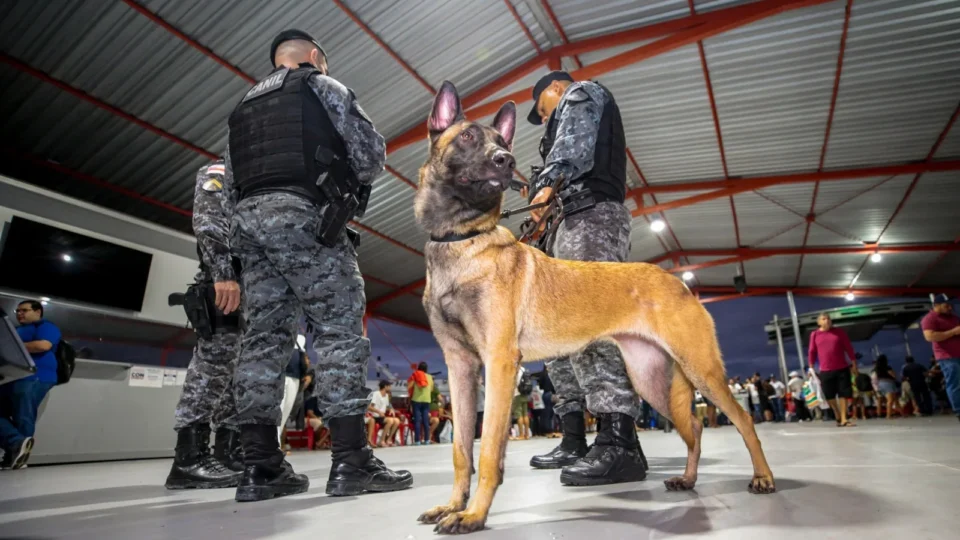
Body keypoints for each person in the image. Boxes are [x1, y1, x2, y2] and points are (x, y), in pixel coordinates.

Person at [223, 29, 411, 501]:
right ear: (312, 57)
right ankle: (352, 463)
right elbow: (371, 157)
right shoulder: (323, 86)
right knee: (338, 329)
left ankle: (260, 468)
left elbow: (228, 183)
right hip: (304, 217)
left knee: (262, 341)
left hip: (249, 226)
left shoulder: (242, 108)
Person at [524, 70, 647, 485]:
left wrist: (547, 184)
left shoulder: (580, 93)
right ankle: (578, 436)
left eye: (543, 110)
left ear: (556, 90)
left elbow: (573, 147)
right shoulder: (564, 113)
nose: (544, 120)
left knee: (594, 326)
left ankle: (619, 443)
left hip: (591, 217)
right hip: (570, 222)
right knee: (564, 336)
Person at [0, 301, 61, 469]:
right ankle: (16, 444)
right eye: (17, 310)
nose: (19, 313)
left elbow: (43, 345)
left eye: (24, 310)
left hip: (35, 376)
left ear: (38, 312)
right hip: (10, 377)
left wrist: (11, 347)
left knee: (23, 415)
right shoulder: (14, 330)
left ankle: (16, 456)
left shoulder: (45, 326)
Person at [808, 312, 858, 427]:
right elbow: (812, 351)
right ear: (819, 322)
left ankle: (844, 418)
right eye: (824, 319)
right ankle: (837, 413)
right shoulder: (815, 335)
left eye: (829, 319)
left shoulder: (839, 332)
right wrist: (810, 368)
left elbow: (848, 348)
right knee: (829, 395)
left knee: (843, 393)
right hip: (826, 370)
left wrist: (854, 363)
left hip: (842, 368)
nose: (827, 321)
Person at [921, 294, 960, 421]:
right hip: (948, 357)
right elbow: (930, 337)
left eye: (951, 305)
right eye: (946, 305)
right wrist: (954, 331)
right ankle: (959, 410)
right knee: (955, 383)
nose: (950, 307)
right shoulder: (929, 319)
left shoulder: (954, 318)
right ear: (936, 305)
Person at [278, 348, 311, 445]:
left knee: (284, 416)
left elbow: (303, 357)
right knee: (277, 415)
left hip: (295, 376)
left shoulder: (300, 336)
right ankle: (273, 451)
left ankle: (277, 448)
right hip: (280, 374)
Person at [408, 362, 434, 445]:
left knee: (417, 421)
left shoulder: (416, 374)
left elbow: (410, 386)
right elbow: (431, 389)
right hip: (426, 400)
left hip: (416, 400)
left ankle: (417, 441)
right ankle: (427, 440)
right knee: (426, 421)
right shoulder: (430, 377)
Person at [367, 381, 399, 447]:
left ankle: (388, 440)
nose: (390, 388)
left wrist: (391, 409)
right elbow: (369, 407)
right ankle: (382, 441)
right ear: (385, 386)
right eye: (389, 386)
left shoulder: (386, 395)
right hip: (374, 416)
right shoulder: (376, 394)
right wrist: (378, 412)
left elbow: (386, 407)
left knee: (397, 421)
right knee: (390, 420)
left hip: (381, 417)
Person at [873, 355, 900, 419]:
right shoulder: (887, 367)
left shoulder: (876, 368)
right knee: (890, 400)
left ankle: (902, 413)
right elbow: (893, 376)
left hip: (880, 384)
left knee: (890, 400)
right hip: (888, 383)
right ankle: (888, 415)